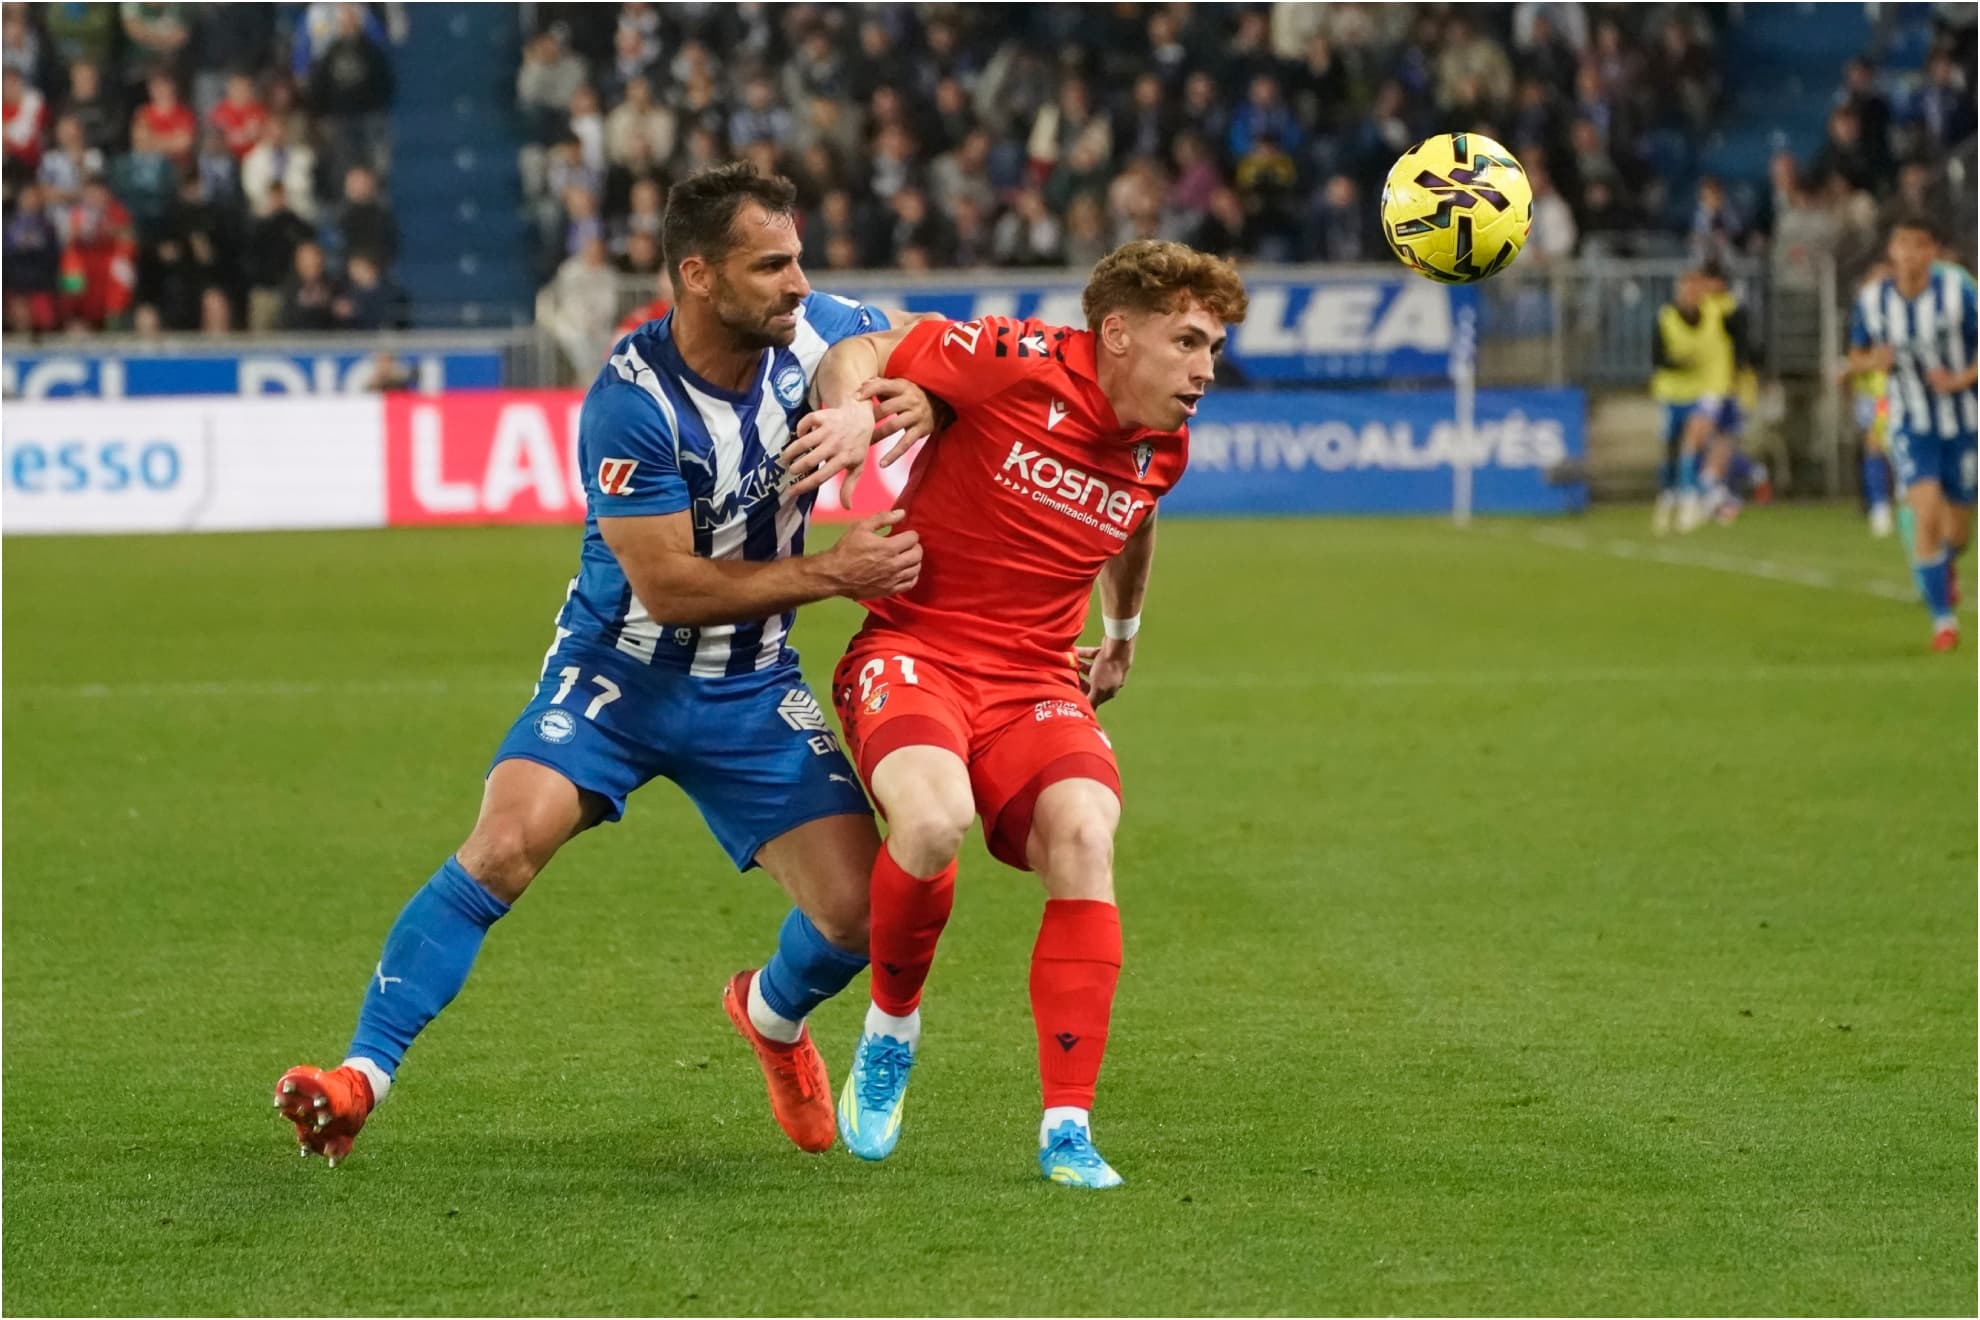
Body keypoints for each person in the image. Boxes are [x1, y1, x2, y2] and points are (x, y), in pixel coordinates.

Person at [273, 164, 943, 1165]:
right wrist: (836, 571)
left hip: (751, 688)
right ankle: (358, 1078)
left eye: (800, 259)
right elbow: (670, 588)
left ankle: (767, 1016)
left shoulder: (806, 330)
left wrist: (864, 401)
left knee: (860, 917)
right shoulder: (631, 403)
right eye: (773, 265)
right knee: (501, 848)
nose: (799, 282)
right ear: (701, 276)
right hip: (615, 679)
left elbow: (892, 334)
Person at [786, 240, 1248, 1188]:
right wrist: (846, 415)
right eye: (1190, 341)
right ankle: (891, 1029)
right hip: (913, 650)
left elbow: (1139, 514)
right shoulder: (1014, 357)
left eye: (1215, 347)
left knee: (1086, 831)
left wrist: (1121, 632)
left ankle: (1067, 1127)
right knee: (932, 817)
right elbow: (872, 345)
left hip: (1036, 674)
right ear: (1117, 333)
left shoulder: (1166, 441)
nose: (1207, 369)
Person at [1847, 216, 1978, 652]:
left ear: (1932, 253)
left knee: (1957, 533)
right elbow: (1856, 355)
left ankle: (1947, 564)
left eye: (1919, 245)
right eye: (1902, 244)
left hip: (1963, 423)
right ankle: (1944, 622)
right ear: (1891, 250)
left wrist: (1961, 381)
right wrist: (1871, 363)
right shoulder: (1872, 300)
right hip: (1910, 423)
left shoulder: (1958, 293)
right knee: (1925, 513)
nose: (1909, 254)